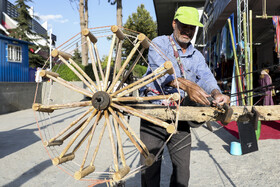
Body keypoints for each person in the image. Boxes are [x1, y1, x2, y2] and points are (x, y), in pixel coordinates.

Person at [139, 6, 230, 187]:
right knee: (150, 169)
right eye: (184, 26)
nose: (188, 31)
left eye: (192, 28)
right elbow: (161, 74)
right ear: (174, 24)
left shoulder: (196, 55)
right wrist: (188, 86)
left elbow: (205, 76)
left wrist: (217, 93)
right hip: (154, 115)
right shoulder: (159, 43)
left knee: (183, 171)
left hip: (181, 116)